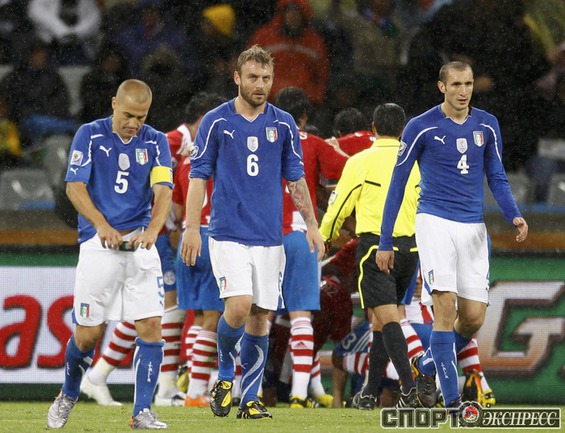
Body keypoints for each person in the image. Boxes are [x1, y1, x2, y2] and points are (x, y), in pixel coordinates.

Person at [179, 45, 325, 420]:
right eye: (253, 78)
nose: (260, 85)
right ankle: (225, 376)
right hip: (227, 233)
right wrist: (192, 228)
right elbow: (198, 177)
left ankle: (250, 398)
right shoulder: (216, 121)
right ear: (237, 78)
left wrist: (311, 224)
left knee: (261, 317)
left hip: (270, 238)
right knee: (239, 306)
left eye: (266, 78)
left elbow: (296, 180)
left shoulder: (283, 124)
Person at [376, 61, 528, 410]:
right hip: (435, 222)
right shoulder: (420, 127)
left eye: (469, 84)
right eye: (456, 84)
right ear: (441, 87)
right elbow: (398, 185)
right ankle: (453, 402)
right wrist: (385, 241)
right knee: (445, 307)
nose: (463, 91)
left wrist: (514, 214)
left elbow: (497, 176)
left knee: (473, 317)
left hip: (473, 227)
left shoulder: (487, 125)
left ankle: (427, 365)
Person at [46, 79, 173, 429]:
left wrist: (153, 230)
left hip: (139, 244)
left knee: (151, 326)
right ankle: (68, 393)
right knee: (87, 336)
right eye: (128, 115)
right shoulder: (90, 134)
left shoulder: (156, 141)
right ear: (114, 103)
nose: (134, 123)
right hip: (98, 245)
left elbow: (163, 191)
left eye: (141, 117)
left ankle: (142, 411)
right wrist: (101, 224)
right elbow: (74, 186)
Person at [319, 102, 421, 410]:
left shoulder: (361, 161)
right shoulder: (417, 162)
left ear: (373, 129)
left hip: (376, 249)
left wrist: (325, 236)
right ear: (402, 130)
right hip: (411, 250)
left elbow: (339, 204)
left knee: (388, 319)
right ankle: (369, 391)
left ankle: (410, 388)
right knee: (380, 320)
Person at [274, 86, 347, 408]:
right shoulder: (314, 143)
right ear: (304, 116)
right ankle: (300, 392)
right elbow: (349, 169)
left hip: (262, 235)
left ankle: (242, 390)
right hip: (301, 235)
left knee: (255, 315)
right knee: (301, 314)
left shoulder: (261, 137)